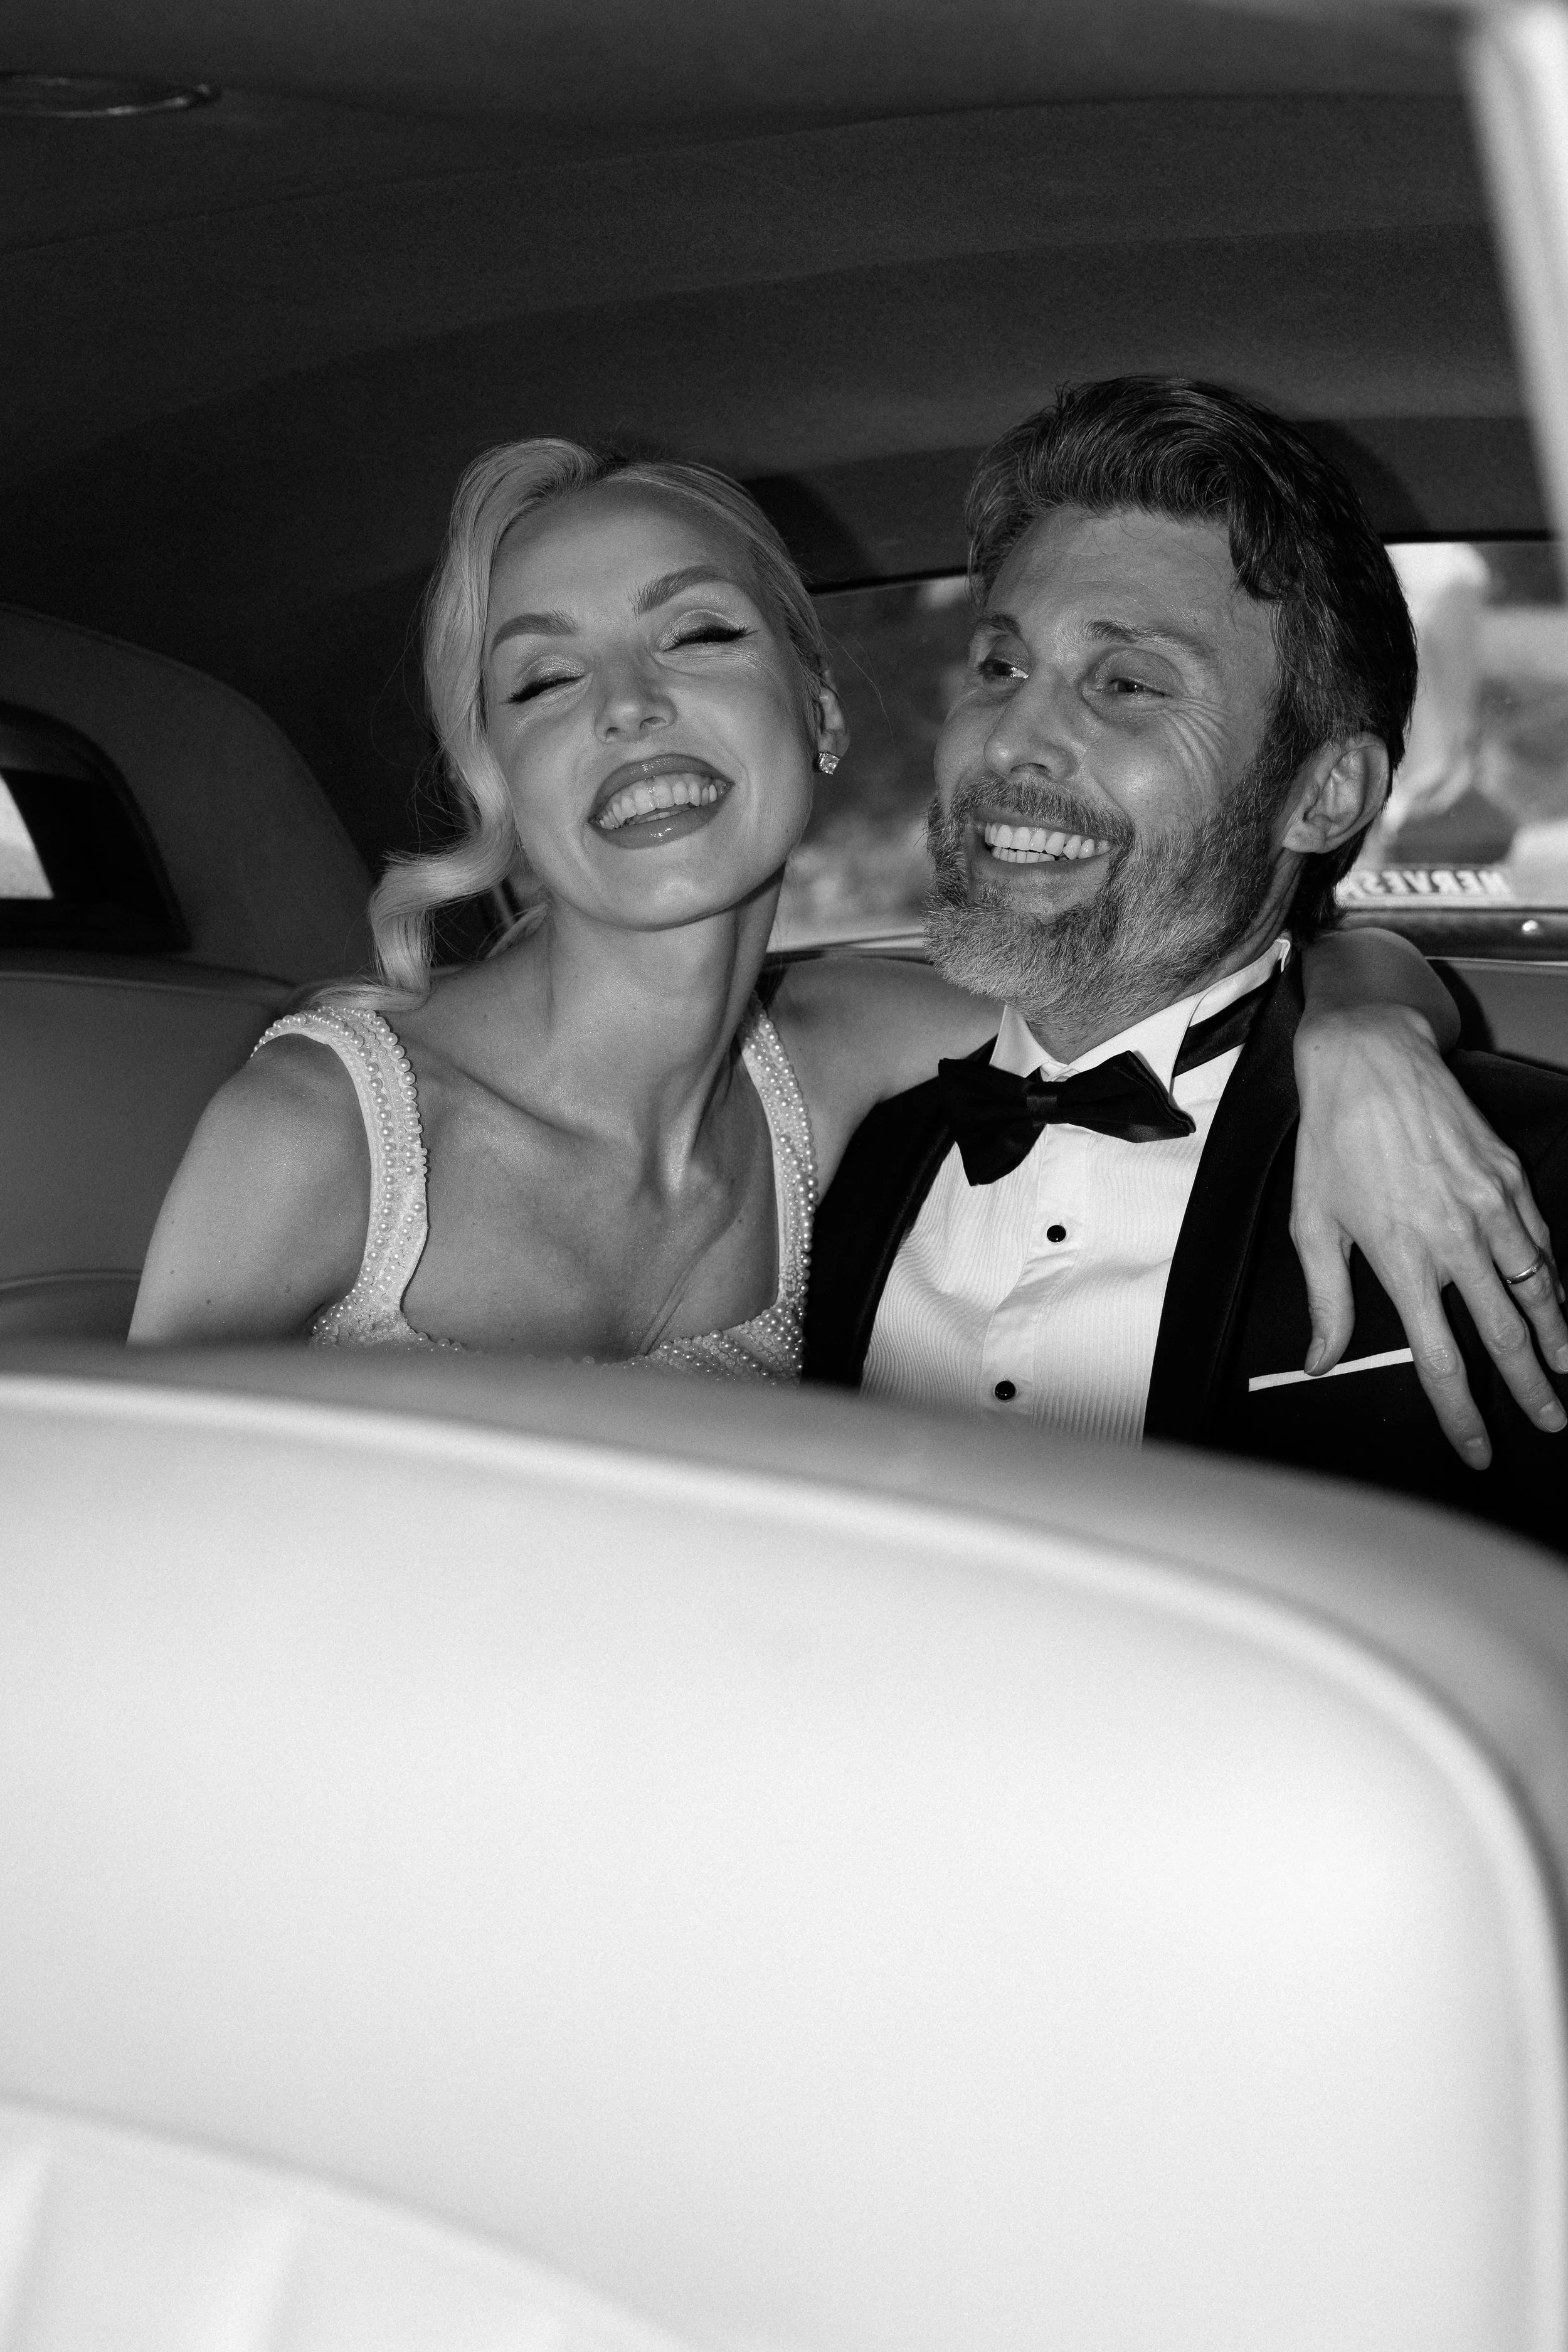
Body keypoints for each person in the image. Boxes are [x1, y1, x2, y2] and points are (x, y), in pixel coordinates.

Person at [132, 430, 1555, 1455]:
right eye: (545, 678)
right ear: (497, 773)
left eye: (696, 636)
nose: (625, 705)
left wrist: (1363, 1029)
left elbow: (1162, 996)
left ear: (818, 710)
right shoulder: (317, 1133)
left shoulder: (839, 1062)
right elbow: (121, 1569)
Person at [804, 376, 1568, 1550]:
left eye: (1128, 684)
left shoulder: (1512, 1176)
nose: (1011, 741)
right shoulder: (806, 1154)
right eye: (1000, 668)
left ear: (1324, 794)